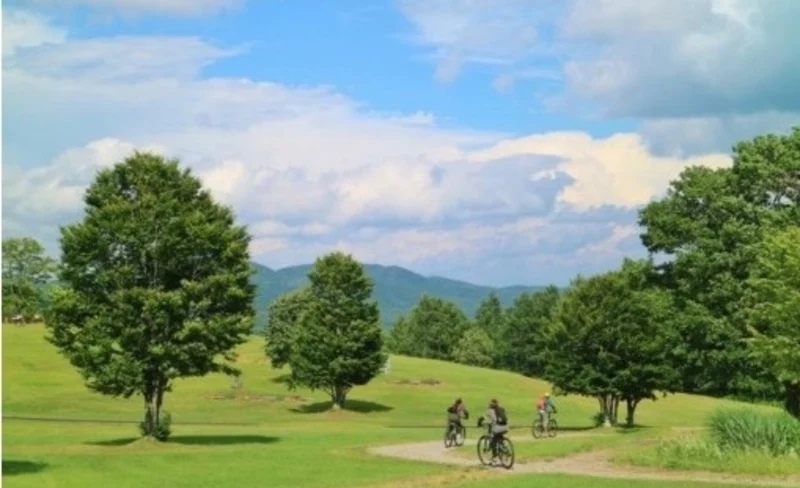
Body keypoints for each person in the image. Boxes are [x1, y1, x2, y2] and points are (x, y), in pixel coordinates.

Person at [478, 398, 508, 463]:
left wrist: (480, 423)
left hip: (497, 428)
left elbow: (487, 419)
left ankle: (494, 457)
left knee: (493, 440)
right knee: (499, 436)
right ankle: (504, 447)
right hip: (505, 427)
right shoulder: (501, 409)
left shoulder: (490, 410)